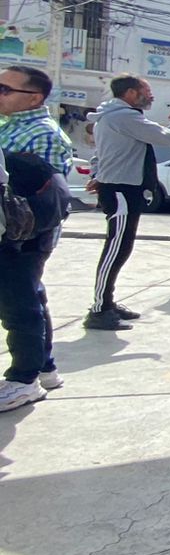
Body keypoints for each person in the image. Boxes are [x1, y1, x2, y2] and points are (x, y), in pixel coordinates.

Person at [83, 75, 170, 329]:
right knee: (115, 248)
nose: (151, 96)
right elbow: (166, 137)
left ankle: (107, 301)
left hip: (124, 187)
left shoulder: (116, 117)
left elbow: (105, 153)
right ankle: (99, 309)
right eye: (147, 90)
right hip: (121, 190)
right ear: (131, 93)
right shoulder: (124, 116)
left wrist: (99, 174)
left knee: (122, 247)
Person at [0, 64, 72, 411]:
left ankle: (23, 378)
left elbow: (39, 193)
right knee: (30, 296)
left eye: (4, 89)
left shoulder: (43, 134)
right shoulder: (10, 126)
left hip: (23, 232)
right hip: (14, 230)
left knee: (19, 304)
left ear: (34, 98)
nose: (0, 95)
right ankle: (44, 368)